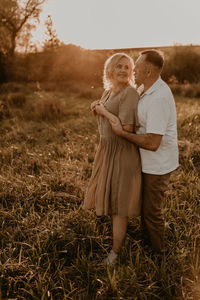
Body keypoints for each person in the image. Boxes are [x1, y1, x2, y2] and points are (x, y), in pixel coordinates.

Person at [95, 49, 179, 253]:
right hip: (142, 158)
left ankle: (159, 256)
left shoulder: (158, 97)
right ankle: (145, 245)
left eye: (137, 66)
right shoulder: (145, 88)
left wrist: (121, 133)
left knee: (151, 212)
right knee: (141, 207)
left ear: (148, 71)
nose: (133, 70)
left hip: (157, 163)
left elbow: (152, 143)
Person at [83, 53, 142, 265]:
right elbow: (104, 114)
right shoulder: (108, 92)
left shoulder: (130, 94)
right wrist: (96, 107)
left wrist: (103, 111)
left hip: (123, 153)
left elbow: (124, 129)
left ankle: (115, 254)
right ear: (110, 70)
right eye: (119, 66)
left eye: (128, 67)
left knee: (119, 207)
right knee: (111, 200)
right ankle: (118, 242)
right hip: (107, 151)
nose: (124, 71)